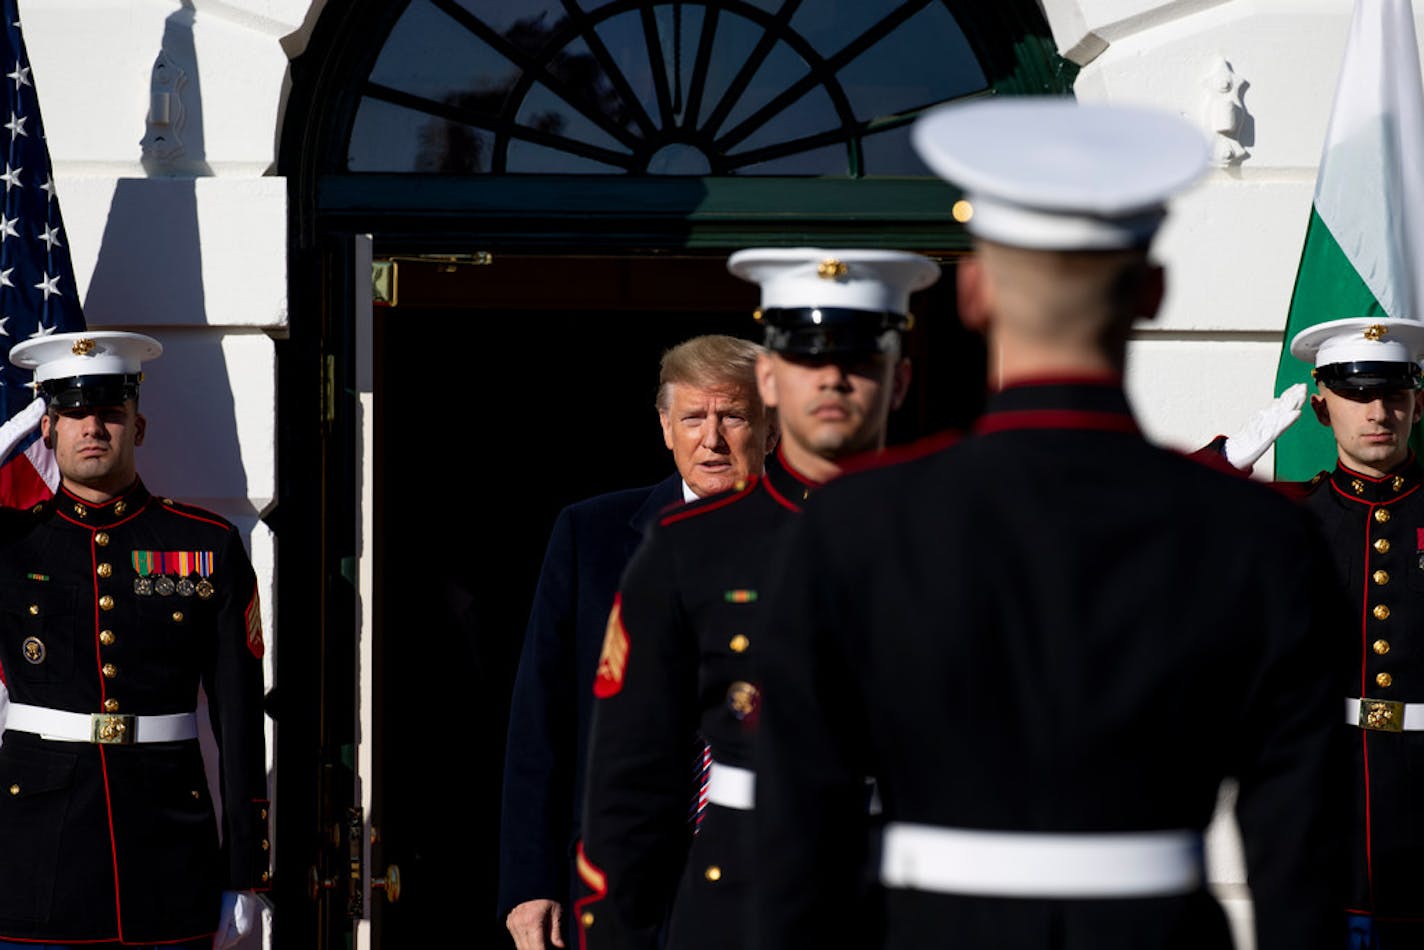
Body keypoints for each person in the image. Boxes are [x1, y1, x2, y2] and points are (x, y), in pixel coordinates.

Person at [751, 97, 1348, 950]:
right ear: (1152, 289)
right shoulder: (1258, 534)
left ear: (973, 291)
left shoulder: (858, 522)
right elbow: (1299, 851)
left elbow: (797, 830)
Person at [576, 247, 940, 950]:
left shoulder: (954, 536)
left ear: (900, 383)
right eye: (806, 358)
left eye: (862, 359)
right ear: (770, 381)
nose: (833, 377)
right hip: (737, 899)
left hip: (910, 899)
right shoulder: (690, 547)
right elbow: (632, 785)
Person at [499, 334, 776, 950]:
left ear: (772, 427)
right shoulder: (590, 536)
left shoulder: (825, 540)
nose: (712, 437)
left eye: (732, 415)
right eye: (693, 418)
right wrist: (529, 879)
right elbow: (540, 721)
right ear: (664, 427)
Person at [0, 331, 269, 948]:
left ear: (138, 427)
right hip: (33, 857)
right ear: (47, 430)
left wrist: (247, 872)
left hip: (168, 855)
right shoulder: (10, 546)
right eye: (72, 413)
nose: (92, 426)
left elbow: (238, 716)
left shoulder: (206, 543)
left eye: (110, 412)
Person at [1283, 315, 1424, 949]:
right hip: (1328, 796)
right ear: (1320, 407)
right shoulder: (1290, 522)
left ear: (1418, 405)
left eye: (1394, 395)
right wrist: (1222, 462)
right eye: (1357, 394)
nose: (1378, 412)